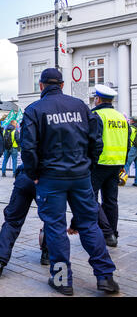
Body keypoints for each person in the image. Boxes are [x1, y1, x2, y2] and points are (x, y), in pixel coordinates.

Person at [20, 68, 119, 296]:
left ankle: (63, 280)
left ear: (42, 86)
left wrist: (33, 172)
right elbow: (96, 140)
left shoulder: (34, 110)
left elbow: (28, 147)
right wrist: (89, 166)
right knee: (89, 225)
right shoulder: (81, 106)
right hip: (80, 176)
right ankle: (105, 277)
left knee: (55, 228)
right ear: (62, 85)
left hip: (50, 178)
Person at [0, 165, 50, 279]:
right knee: (52, 221)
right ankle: (47, 255)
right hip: (50, 180)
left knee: (12, 221)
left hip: (27, 176)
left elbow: (28, 151)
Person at [90, 85, 131, 248]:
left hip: (99, 164)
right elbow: (127, 143)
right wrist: (123, 164)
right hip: (116, 164)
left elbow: (94, 142)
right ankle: (112, 233)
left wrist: (90, 161)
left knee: (90, 198)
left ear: (98, 99)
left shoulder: (96, 115)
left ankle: (107, 233)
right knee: (111, 201)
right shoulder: (121, 117)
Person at [124, 117, 137, 187]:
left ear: (132, 121)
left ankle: (122, 179)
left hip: (132, 148)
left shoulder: (132, 128)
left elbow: (127, 137)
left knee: (126, 164)